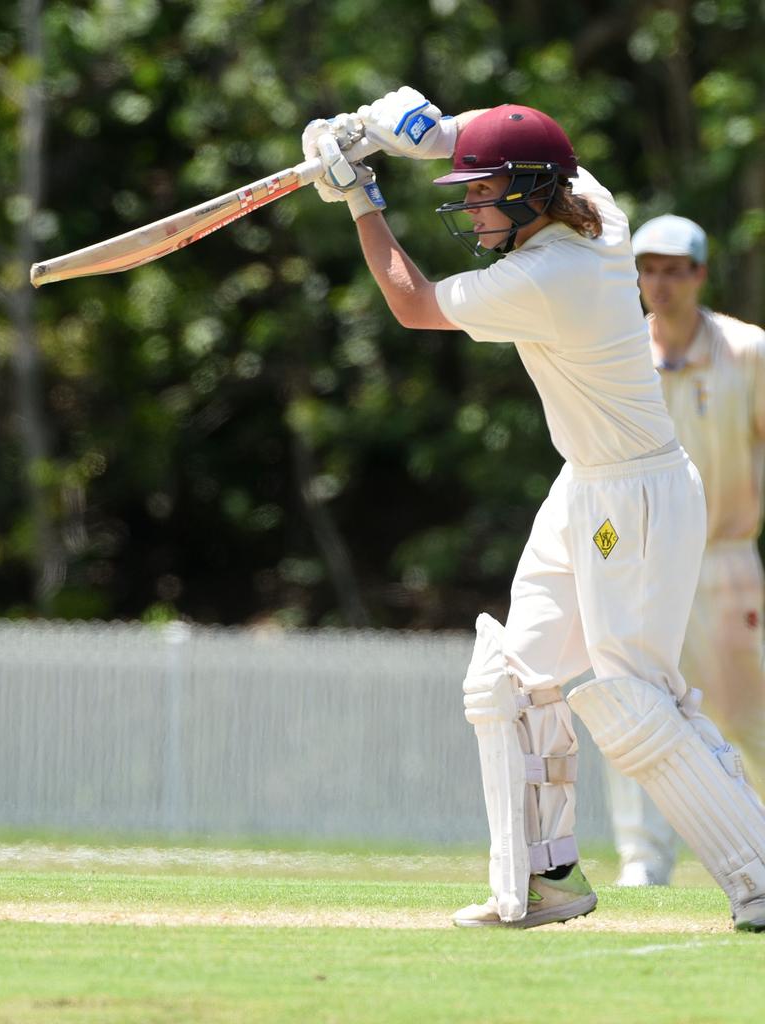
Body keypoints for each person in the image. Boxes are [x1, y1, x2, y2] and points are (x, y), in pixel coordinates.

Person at [300, 86, 765, 931]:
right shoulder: (595, 208)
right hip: (585, 483)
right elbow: (522, 144)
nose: (471, 207)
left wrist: (363, 199)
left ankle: (759, 878)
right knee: (511, 682)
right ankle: (548, 882)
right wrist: (414, 134)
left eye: (482, 194)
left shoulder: (545, 276)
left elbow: (411, 303)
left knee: (633, 700)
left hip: (638, 494)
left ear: (523, 196)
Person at [605, 214, 765, 887]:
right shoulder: (617, 353)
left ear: (699, 274)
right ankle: (644, 862)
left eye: (674, 269)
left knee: (743, 710)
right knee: (638, 707)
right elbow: (597, 469)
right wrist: (602, 552)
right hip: (638, 563)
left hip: (723, 557)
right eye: (648, 268)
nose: (659, 282)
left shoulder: (748, 351)